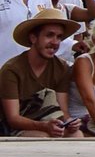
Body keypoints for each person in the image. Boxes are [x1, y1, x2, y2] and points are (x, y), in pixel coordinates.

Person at [2, 9, 84, 137]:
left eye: (59, 37)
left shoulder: (62, 68)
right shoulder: (11, 70)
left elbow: (62, 111)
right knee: (43, 138)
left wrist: (69, 123)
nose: (55, 42)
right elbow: (13, 119)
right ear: (33, 38)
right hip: (12, 128)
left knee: (76, 135)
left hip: (47, 122)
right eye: (49, 35)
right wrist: (44, 126)